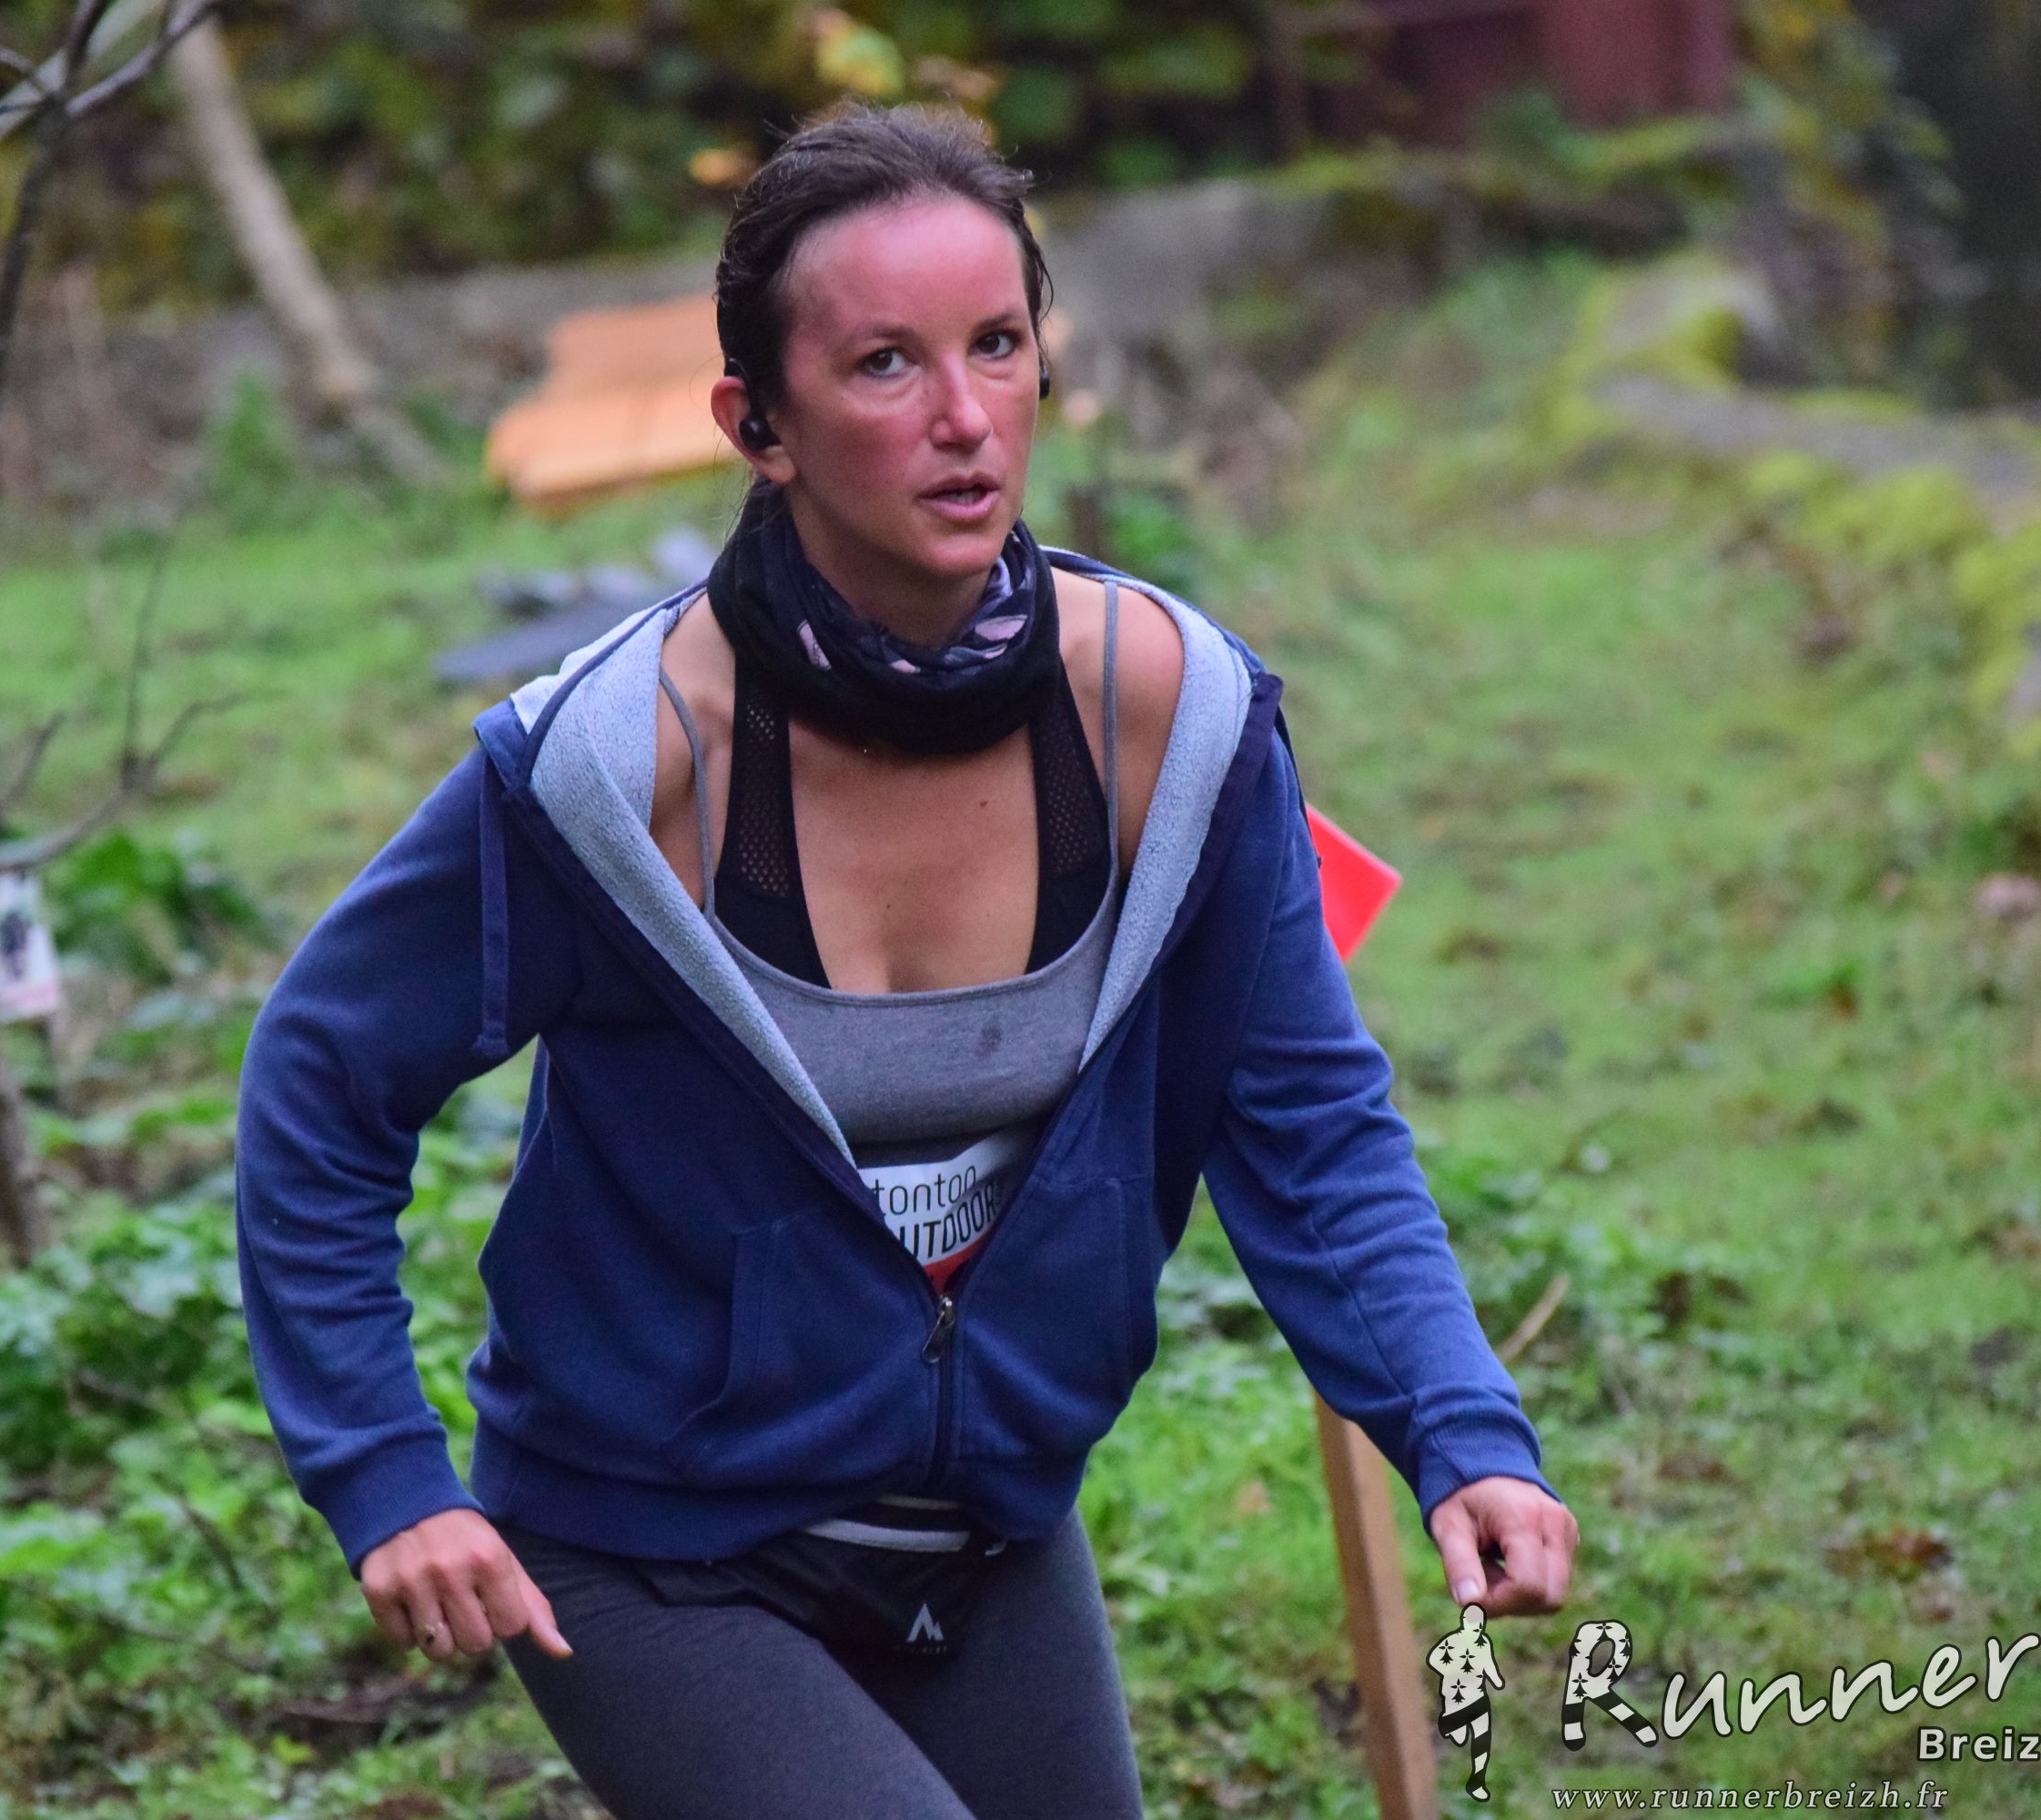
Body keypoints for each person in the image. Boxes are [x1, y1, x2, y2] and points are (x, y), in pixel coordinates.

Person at [235, 100, 1579, 1820]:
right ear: (759, 425)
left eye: (997, 345)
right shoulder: (612, 774)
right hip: (647, 1556)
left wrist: (1458, 1427)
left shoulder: (1175, 724)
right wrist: (386, 1476)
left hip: (986, 1537)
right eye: (884, 364)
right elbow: (322, 1080)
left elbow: (1308, 1121)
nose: (963, 418)